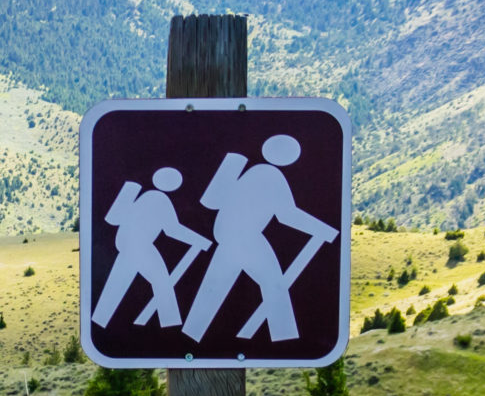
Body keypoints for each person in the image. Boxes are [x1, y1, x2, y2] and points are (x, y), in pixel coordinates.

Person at [181, 133, 339, 344]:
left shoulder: (251, 172)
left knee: (213, 289)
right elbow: (286, 215)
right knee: (275, 285)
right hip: (246, 239)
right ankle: (285, 339)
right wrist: (323, 230)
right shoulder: (271, 176)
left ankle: (190, 337)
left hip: (228, 237)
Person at [91, 166, 209, 330]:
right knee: (162, 283)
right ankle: (170, 325)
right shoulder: (159, 199)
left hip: (126, 247)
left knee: (116, 286)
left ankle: (100, 323)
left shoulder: (144, 197)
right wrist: (200, 241)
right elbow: (172, 230)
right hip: (141, 247)